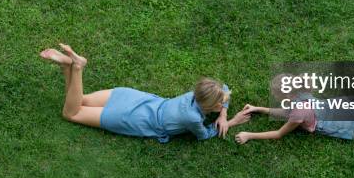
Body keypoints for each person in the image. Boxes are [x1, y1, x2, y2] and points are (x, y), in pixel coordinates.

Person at [39, 43, 250, 143]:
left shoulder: (195, 93)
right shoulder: (192, 118)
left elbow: (224, 91)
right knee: (71, 113)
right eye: (220, 104)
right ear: (210, 106)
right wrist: (232, 121)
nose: (224, 102)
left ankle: (67, 66)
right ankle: (77, 68)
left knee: (79, 100)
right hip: (133, 118)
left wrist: (222, 113)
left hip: (133, 97)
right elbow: (204, 135)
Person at [234, 72, 354, 144]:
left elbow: (279, 133)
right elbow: (287, 112)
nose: (274, 97)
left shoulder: (298, 112)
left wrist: (249, 135)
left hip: (338, 120)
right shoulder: (302, 92)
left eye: (275, 95)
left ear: (287, 95)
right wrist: (259, 108)